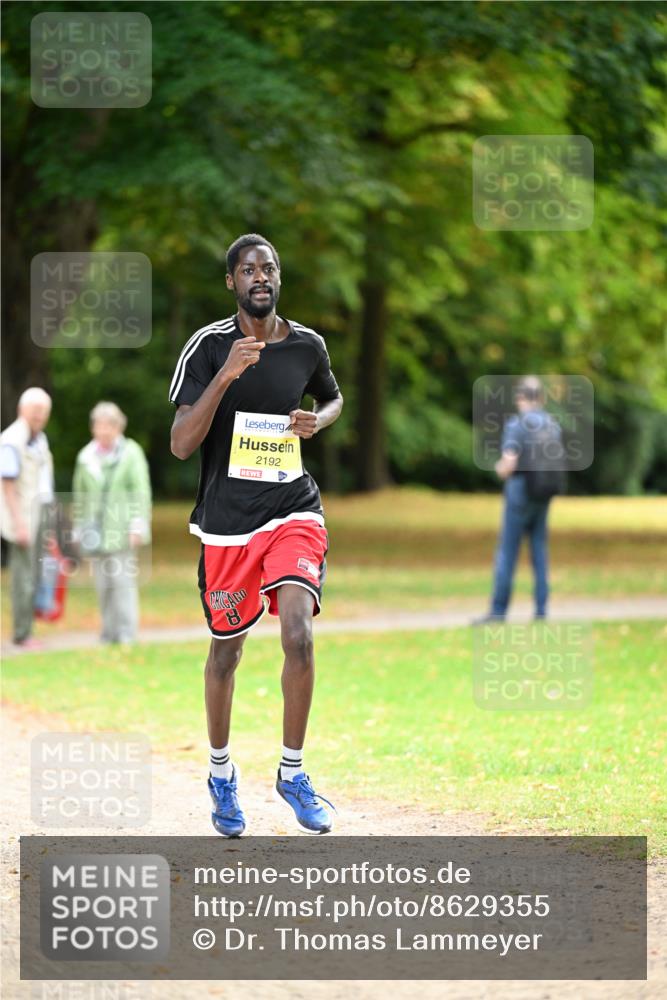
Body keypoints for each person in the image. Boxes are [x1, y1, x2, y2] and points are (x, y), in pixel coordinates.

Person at [169, 233, 343, 837]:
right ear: (232, 282)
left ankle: (292, 772)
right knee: (226, 652)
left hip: (292, 508)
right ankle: (220, 774)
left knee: (298, 634)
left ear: (279, 276)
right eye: (248, 270)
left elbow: (333, 398)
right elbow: (181, 443)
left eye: (268, 267)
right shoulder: (208, 347)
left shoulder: (306, 345)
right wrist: (227, 375)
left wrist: (316, 420)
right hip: (227, 523)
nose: (259, 277)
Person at [475, 376, 564, 623]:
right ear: (541, 398)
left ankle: (498, 611)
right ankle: (541, 610)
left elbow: (509, 462)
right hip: (543, 495)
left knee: (507, 552)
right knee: (539, 550)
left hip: (519, 494)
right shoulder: (552, 424)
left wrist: (499, 469)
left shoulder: (517, 424)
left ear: (521, 397)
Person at [72, 402, 151, 644]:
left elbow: (140, 490)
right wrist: (78, 529)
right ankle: (108, 633)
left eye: (109, 426)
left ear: (119, 428)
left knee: (122, 582)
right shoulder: (85, 457)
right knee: (102, 584)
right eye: (99, 425)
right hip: (95, 531)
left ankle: (126, 633)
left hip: (122, 529)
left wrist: (138, 525)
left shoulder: (131, 453)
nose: (104, 430)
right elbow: (80, 495)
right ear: (93, 428)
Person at [0, 387, 54, 648]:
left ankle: (28, 629)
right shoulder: (12, 440)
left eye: (43, 411)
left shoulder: (39, 439)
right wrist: (19, 523)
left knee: (35, 573)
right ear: (22, 409)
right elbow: (7, 486)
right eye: (35, 410)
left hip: (38, 513)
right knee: (23, 577)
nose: (39, 415)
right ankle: (22, 634)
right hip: (21, 517)